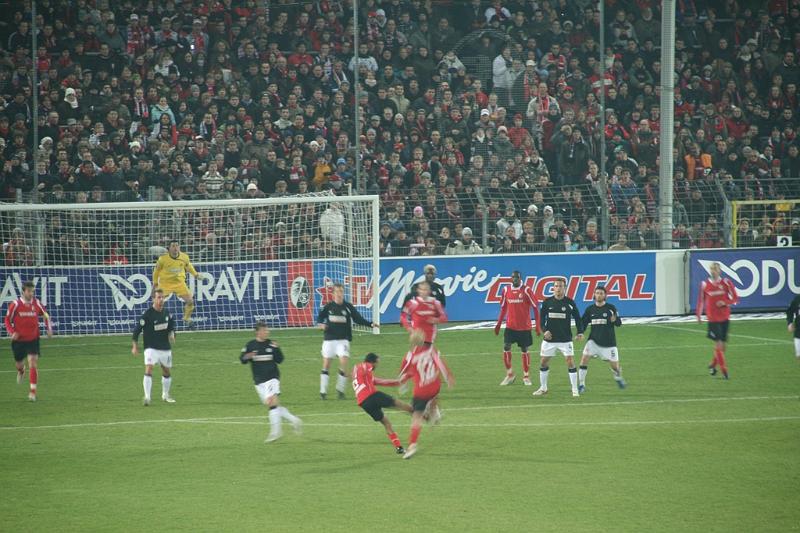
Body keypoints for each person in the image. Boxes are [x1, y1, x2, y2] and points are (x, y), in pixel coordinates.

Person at [240, 321, 302, 442]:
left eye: (267, 330)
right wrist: (248, 355)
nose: (266, 332)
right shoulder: (250, 345)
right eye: (264, 330)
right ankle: (294, 420)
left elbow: (280, 360)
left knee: (272, 403)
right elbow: (242, 359)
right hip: (258, 381)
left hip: (272, 378)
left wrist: (277, 348)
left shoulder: (272, 344)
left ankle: (276, 432)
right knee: (272, 404)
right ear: (257, 332)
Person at [399, 330, 454, 459]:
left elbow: (403, 371)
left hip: (421, 391)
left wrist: (403, 383)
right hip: (435, 385)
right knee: (434, 395)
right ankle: (435, 412)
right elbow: (441, 364)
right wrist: (448, 377)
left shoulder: (410, 356)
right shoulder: (431, 350)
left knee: (416, 416)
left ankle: (412, 445)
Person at [317, 282, 375, 400]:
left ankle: (340, 390)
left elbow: (358, 319)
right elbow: (320, 318)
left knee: (343, 364)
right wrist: (322, 325)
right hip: (329, 340)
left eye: (341, 291)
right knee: (326, 365)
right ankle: (323, 391)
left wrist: (370, 324)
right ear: (333, 294)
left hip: (343, 341)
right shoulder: (328, 307)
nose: (339, 294)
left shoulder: (348, 307)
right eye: (337, 292)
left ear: (343, 293)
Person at [352, 352, 413, 454]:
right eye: (377, 363)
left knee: (386, 422)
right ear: (372, 361)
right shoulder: (364, 366)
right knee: (398, 404)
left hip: (364, 403)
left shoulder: (364, 376)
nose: (376, 366)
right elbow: (366, 368)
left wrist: (399, 381)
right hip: (372, 396)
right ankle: (420, 413)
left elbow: (383, 382)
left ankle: (399, 448)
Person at [533, 278, 585, 397]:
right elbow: (541, 320)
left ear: (564, 288)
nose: (558, 288)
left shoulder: (570, 303)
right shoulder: (547, 302)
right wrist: (544, 331)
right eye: (556, 286)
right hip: (549, 339)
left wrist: (580, 332)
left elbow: (578, 318)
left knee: (570, 362)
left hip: (565, 339)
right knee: (543, 362)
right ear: (553, 288)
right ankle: (543, 388)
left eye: (561, 286)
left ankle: (574, 389)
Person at [4, 281, 53, 401]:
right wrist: (12, 332)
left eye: (32, 291)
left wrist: (49, 327)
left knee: (33, 363)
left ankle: (32, 392)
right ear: (23, 291)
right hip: (19, 340)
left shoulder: (36, 303)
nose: (31, 293)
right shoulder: (15, 304)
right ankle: (21, 371)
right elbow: (7, 320)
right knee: (19, 364)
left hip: (33, 339)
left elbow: (45, 315)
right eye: (29, 291)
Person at [494, 270, 541, 386]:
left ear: (521, 279)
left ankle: (526, 376)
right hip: (510, 326)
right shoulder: (506, 290)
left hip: (524, 327)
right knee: (506, 346)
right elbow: (503, 308)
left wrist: (538, 326)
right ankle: (510, 374)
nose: (515, 279)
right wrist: (499, 324)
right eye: (513, 277)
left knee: (524, 349)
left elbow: (535, 307)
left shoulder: (526, 290)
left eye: (517, 278)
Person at [132, 289, 177, 405]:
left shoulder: (167, 313)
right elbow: (136, 331)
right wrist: (135, 346)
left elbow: (171, 327)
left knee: (166, 371)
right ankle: (147, 397)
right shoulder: (147, 315)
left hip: (165, 348)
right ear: (153, 299)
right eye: (159, 297)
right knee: (149, 368)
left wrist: (172, 335)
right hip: (151, 348)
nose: (161, 300)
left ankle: (165, 395)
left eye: (163, 297)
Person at [696, 261, 739, 379]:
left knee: (723, 347)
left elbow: (735, 298)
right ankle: (725, 371)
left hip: (725, 317)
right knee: (719, 343)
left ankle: (712, 365)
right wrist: (698, 315)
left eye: (716, 269)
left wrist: (724, 302)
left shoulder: (726, 282)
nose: (714, 271)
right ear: (710, 270)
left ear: (719, 271)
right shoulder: (705, 284)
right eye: (712, 269)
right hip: (713, 318)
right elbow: (701, 300)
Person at [579, 286, 626, 393]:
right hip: (593, 341)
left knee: (615, 367)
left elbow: (619, 323)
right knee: (584, 360)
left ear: (605, 296)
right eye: (597, 293)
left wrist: (614, 320)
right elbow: (583, 323)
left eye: (601, 293)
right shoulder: (590, 309)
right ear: (594, 295)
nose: (599, 295)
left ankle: (618, 377)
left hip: (609, 343)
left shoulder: (611, 308)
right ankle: (581, 385)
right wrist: (580, 332)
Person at [152, 240, 204, 329]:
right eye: (173, 246)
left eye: (177, 245)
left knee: (190, 301)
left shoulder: (184, 257)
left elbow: (188, 266)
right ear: (169, 248)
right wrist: (155, 283)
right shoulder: (162, 259)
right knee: (158, 302)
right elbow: (156, 272)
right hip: (166, 283)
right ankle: (156, 320)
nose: (175, 248)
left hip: (179, 283)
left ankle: (186, 318)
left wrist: (196, 274)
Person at [401, 281, 448, 346]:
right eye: (421, 289)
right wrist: (410, 329)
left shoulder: (436, 303)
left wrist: (436, 320)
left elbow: (444, 317)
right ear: (418, 290)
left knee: (421, 354)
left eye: (425, 290)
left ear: (429, 291)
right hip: (417, 337)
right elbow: (403, 316)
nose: (423, 292)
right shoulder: (412, 303)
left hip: (430, 337)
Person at [787, 295, 800, 360]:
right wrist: (790, 323)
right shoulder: (798, 298)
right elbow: (790, 311)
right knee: (798, 356)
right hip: (798, 331)